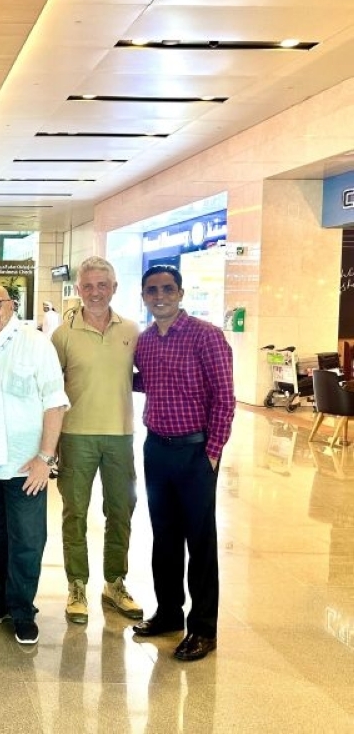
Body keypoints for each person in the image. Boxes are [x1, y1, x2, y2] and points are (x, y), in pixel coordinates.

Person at [131, 264, 234, 662]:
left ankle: (203, 629)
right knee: (165, 537)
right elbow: (145, 380)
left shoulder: (206, 336)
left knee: (201, 541)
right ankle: (169, 614)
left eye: (167, 289)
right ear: (144, 296)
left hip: (196, 452)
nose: (160, 296)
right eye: (153, 290)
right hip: (157, 448)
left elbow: (225, 398)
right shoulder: (145, 342)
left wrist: (212, 453)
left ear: (180, 292)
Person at [0, 284, 69, 645]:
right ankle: (0, 601)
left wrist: (45, 459)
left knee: (26, 540)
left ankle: (23, 610)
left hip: (24, 465)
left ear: (11, 306)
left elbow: (55, 403)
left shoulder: (36, 343)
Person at [51, 256, 142, 625]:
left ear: (114, 288)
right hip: (75, 436)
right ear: (78, 289)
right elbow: (51, 390)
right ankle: (76, 584)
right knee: (74, 513)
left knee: (120, 511)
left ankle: (115, 582)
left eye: (102, 285)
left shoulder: (132, 332)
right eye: (87, 286)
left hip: (120, 435)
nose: (94, 292)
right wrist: (51, 441)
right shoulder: (63, 335)